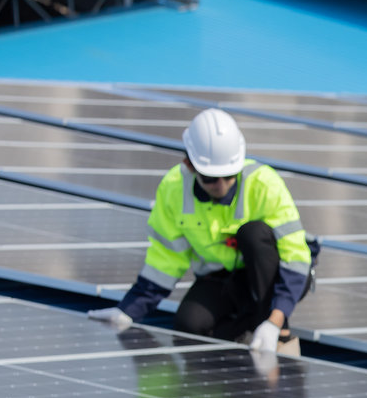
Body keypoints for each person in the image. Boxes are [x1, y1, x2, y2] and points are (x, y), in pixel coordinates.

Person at [88, 108, 312, 355]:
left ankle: (277, 333)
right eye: (211, 178)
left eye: (229, 176)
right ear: (189, 165)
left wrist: (274, 322)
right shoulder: (174, 189)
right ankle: (246, 337)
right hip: (221, 278)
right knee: (189, 325)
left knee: (253, 234)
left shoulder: (264, 184)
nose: (221, 185)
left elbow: (295, 258)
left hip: (275, 276)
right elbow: (166, 257)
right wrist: (128, 310)